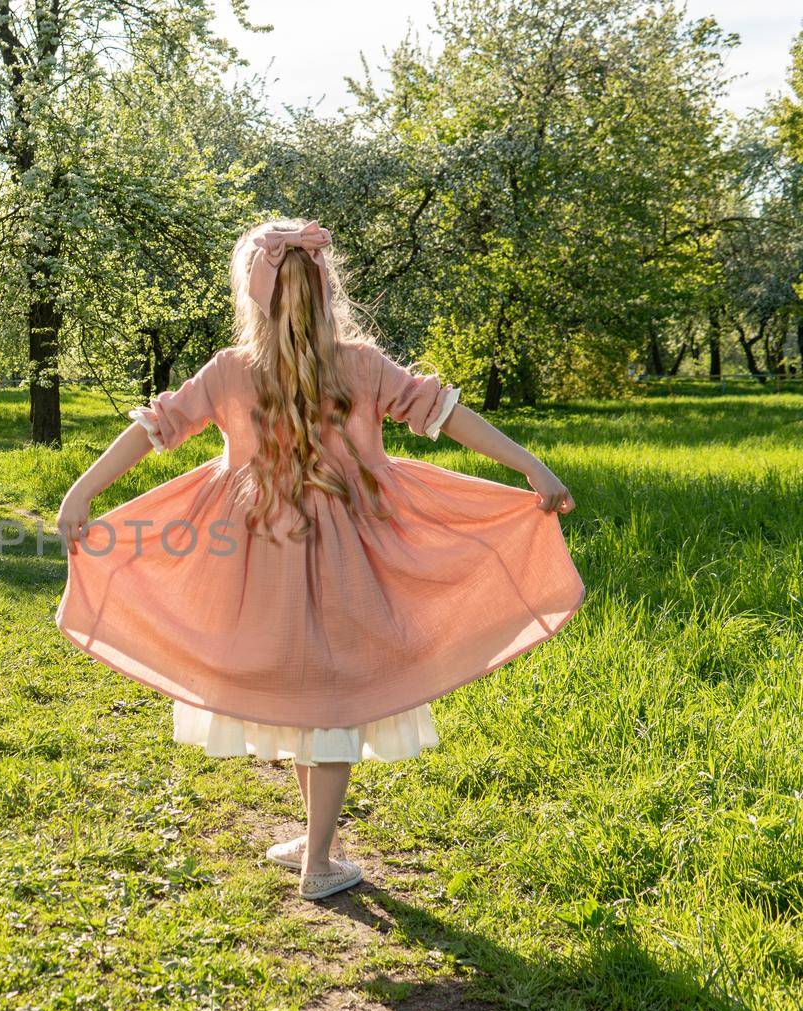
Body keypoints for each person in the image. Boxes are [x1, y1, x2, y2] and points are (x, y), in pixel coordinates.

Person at [54, 219, 584, 900]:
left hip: (258, 557)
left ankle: (319, 845)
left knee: (312, 696)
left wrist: (82, 492)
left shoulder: (230, 371)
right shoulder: (359, 365)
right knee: (329, 699)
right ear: (327, 289)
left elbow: (153, 427)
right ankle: (319, 858)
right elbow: (446, 412)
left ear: (253, 297)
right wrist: (531, 466)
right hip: (352, 557)